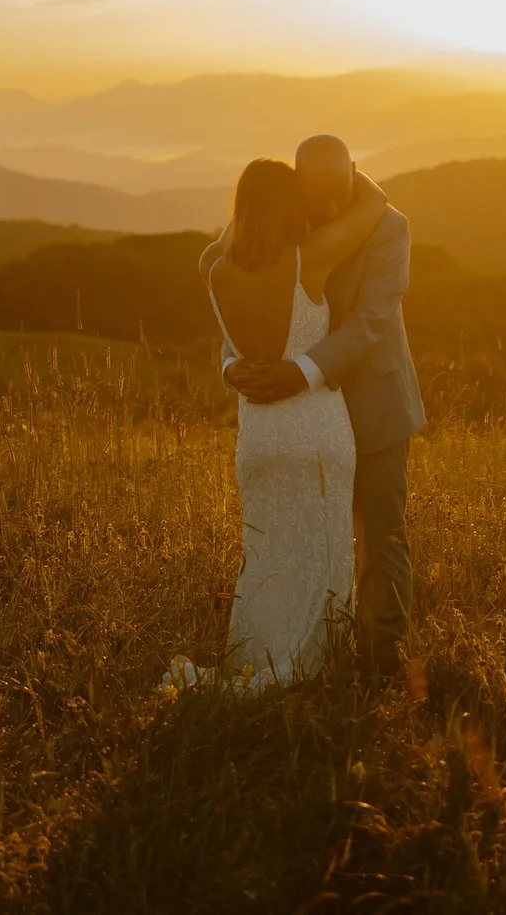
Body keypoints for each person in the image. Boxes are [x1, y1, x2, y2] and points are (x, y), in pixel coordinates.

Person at [198, 136, 427, 682]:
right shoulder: (286, 233)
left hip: (369, 405)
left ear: (353, 177)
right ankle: (296, 655)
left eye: (335, 195)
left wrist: (297, 371)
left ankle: (376, 667)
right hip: (303, 420)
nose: (322, 211)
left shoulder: (389, 228)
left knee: (379, 538)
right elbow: (238, 319)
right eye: (311, 197)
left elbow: (371, 322)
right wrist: (233, 367)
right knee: (285, 538)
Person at [165, 154, 388, 691]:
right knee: (325, 552)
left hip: (259, 434)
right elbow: (375, 204)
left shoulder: (215, 269)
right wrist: (344, 167)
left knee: (268, 553)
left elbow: (227, 245)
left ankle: (258, 656)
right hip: (315, 429)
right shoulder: (308, 259)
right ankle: (312, 668)